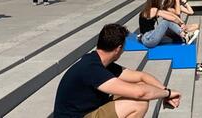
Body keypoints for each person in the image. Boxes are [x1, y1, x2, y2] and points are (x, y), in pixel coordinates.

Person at [53, 23, 181, 117]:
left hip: (87, 111)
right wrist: (168, 94)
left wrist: (164, 91)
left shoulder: (99, 61)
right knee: (138, 103)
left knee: (141, 86)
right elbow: (140, 93)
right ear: (118, 48)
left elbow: (141, 77)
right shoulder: (91, 69)